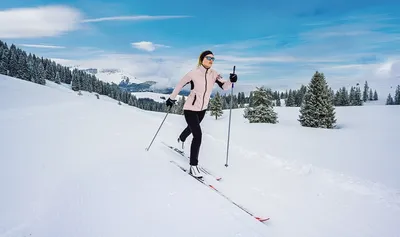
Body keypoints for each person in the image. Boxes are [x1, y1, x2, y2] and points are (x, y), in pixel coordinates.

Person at [165, 50, 238, 178]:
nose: (211, 60)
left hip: (202, 109)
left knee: (192, 128)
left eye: (213, 59)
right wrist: (172, 98)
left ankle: (181, 138)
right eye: (208, 58)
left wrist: (231, 81)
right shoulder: (193, 73)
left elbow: (225, 87)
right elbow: (179, 85)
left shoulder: (214, 74)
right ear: (202, 59)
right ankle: (193, 165)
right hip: (190, 108)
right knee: (198, 135)